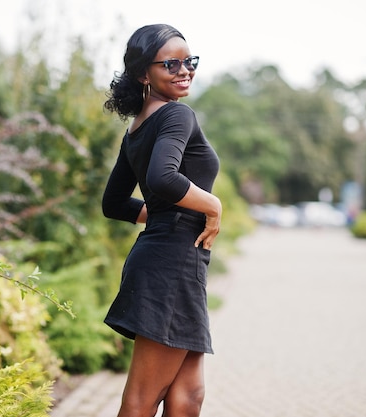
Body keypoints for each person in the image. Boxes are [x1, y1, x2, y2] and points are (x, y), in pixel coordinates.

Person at [102, 24, 222, 417]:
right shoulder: (176, 115)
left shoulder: (137, 128)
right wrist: (212, 206)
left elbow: (115, 203)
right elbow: (163, 178)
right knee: (141, 399)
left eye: (190, 61)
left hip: (174, 262)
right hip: (170, 266)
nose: (184, 70)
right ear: (143, 74)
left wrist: (167, 213)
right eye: (171, 64)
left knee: (189, 396)